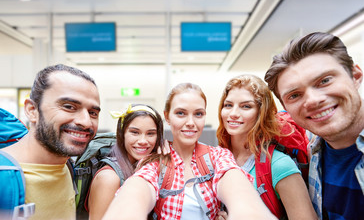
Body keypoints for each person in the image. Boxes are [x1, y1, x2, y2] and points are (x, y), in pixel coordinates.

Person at [103, 82, 276, 220]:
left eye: (198, 114)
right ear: (167, 117)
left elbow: (235, 184)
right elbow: (138, 187)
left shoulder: (218, 156)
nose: (191, 122)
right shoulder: (155, 161)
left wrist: (247, 211)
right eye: (181, 113)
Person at [264, 32, 364, 219]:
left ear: (356, 76)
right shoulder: (314, 153)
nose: (312, 101)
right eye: (294, 95)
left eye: (324, 81)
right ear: (286, 109)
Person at [1, 64, 101, 220]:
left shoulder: (68, 166)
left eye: (93, 113)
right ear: (32, 110)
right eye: (69, 107)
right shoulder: (4, 177)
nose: (86, 122)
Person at [216, 74, 317, 219]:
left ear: (261, 113)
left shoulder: (279, 164)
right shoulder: (216, 158)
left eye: (246, 106)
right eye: (228, 105)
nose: (233, 114)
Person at [87, 104, 165, 220]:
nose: (143, 141)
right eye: (135, 132)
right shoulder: (109, 178)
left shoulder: (150, 167)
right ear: (122, 134)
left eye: (150, 133)